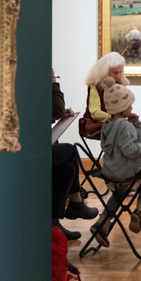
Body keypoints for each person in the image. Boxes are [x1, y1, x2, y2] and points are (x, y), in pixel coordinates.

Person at [90, 77, 141, 247]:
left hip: (110, 173)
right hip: (126, 173)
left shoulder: (106, 124)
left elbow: (106, 145)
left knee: (119, 193)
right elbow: (129, 150)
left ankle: (102, 223)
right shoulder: (126, 126)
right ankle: (140, 210)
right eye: (129, 105)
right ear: (120, 108)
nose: (132, 108)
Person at [52, 69, 98, 240]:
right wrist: (54, 82)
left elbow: (49, 111)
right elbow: (55, 109)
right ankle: (76, 203)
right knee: (71, 149)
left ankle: (54, 224)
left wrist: (55, 114)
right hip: (28, 153)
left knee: (68, 169)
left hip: (38, 148)